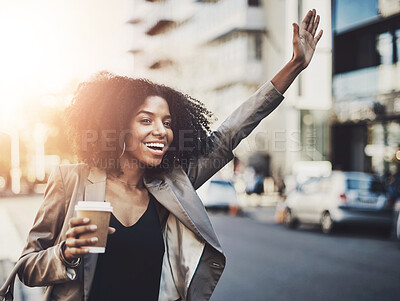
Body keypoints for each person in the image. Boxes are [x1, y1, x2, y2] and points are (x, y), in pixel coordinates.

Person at [17, 9, 323, 301]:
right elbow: (26, 268)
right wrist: (64, 254)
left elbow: (232, 131)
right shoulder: (70, 180)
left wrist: (295, 65)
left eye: (167, 122)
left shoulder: (173, 185)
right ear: (119, 126)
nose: (161, 131)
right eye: (146, 120)